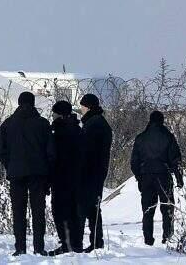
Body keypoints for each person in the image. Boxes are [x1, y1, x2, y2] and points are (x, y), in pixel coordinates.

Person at [0, 91, 54, 256]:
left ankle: (20, 247)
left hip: (16, 174)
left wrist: (10, 165)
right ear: (33, 103)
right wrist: (48, 174)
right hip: (38, 173)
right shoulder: (43, 124)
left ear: (19, 103)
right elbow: (51, 152)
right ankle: (38, 247)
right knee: (38, 212)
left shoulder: (8, 124)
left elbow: (1, 150)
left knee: (18, 212)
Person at [130, 110, 183, 245]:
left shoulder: (141, 138)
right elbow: (175, 159)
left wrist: (139, 177)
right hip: (164, 176)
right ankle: (168, 237)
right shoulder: (168, 137)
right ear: (162, 121)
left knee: (147, 210)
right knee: (167, 209)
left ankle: (148, 239)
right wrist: (179, 178)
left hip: (146, 177)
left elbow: (134, 162)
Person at [77, 93, 113, 253]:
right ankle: (96, 241)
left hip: (90, 172)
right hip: (97, 171)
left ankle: (91, 241)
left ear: (89, 106)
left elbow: (87, 151)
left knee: (86, 207)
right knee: (93, 208)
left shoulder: (93, 125)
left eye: (83, 106)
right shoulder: (98, 122)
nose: (81, 109)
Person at [48, 100, 83, 255]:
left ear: (59, 115)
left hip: (60, 177)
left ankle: (66, 243)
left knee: (60, 211)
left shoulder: (56, 133)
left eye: (54, 113)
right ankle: (76, 243)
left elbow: (51, 156)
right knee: (75, 211)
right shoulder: (78, 130)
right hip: (78, 178)